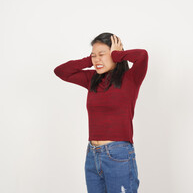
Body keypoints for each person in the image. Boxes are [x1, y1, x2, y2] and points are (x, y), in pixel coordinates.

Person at [53, 32, 148, 193]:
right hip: (92, 155)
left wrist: (118, 55)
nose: (97, 59)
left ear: (115, 54)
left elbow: (142, 55)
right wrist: (90, 60)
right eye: (93, 55)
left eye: (102, 54)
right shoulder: (92, 79)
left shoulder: (131, 78)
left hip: (119, 155)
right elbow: (61, 71)